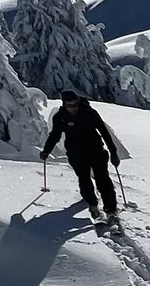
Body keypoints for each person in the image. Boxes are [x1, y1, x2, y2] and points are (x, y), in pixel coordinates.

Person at [41, 92, 128, 229]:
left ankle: (111, 210)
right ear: (64, 104)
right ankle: (93, 204)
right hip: (76, 154)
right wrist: (46, 150)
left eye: (75, 104)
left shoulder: (89, 112)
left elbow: (104, 132)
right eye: (70, 105)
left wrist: (113, 153)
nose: (73, 108)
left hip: (96, 150)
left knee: (102, 178)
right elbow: (55, 135)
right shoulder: (60, 117)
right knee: (84, 178)